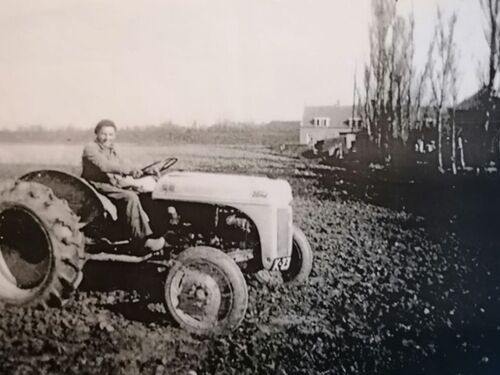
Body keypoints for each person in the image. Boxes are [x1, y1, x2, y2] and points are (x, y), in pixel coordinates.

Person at [82, 119, 165, 252]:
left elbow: (124, 163)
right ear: (96, 133)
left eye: (110, 135)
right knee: (130, 197)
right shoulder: (91, 148)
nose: (107, 138)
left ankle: (155, 230)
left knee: (144, 193)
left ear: (114, 136)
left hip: (112, 182)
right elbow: (105, 165)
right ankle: (141, 240)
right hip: (97, 185)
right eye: (103, 134)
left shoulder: (112, 149)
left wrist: (141, 170)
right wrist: (128, 171)